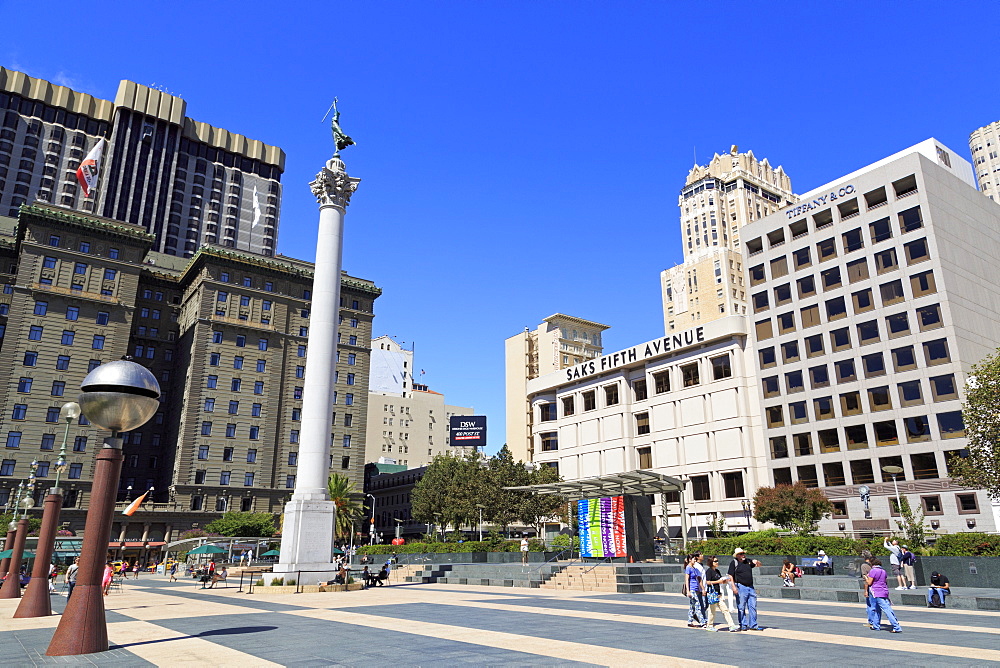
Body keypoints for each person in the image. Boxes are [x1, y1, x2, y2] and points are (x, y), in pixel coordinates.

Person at [728, 547, 764, 631]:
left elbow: (759, 565)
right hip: (741, 586)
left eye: (743, 553)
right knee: (741, 607)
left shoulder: (748, 561)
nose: (743, 555)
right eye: (741, 554)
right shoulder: (734, 563)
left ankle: (753, 625)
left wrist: (757, 561)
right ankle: (743, 624)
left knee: (753, 606)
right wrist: (733, 587)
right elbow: (730, 575)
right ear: (737, 555)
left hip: (750, 587)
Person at [704, 556, 739, 632]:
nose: (717, 562)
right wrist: (718, 582)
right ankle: (709, 625)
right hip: (712, 594)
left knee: (725, 610)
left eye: (717, 561)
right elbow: (707, 582)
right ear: (711, 563)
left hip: (718, 593)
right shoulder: (709, 571)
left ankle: (731, 625)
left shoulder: (717, 571)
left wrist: (725, 581)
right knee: (712, 611)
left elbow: (720, 581)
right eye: (715, 561)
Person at [866, 558, 902, 633]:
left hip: (876, 592)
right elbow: (885, 581)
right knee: (877, 609)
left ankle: (896, 627)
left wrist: (866, 577)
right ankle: (876, 626)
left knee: (886, 609)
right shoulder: (883, 571)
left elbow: (869, 583)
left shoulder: (873, 571)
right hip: (884, 591)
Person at [684, 552, 707, 628]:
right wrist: (688, 591)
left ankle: (690, 621)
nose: (695, 560)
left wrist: (702, 589)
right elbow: (686, 580)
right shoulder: (688, 568)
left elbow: (699, 579)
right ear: (690, 559)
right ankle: (702, 622)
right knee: (697, 605)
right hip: (692, 589)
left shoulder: (695, 568)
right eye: (694, 559)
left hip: (696, 589)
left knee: (692, 606)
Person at [859, 551, 877, 629]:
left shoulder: (864, 566)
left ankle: (871, 621)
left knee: (870, 605)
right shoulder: (874, 565)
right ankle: (876, 621)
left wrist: (865, 590)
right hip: (877, 586)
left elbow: (865, 579)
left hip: (870, 587)